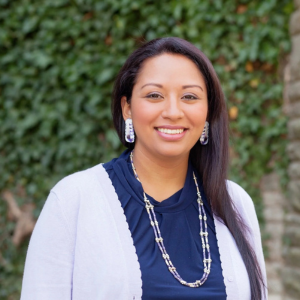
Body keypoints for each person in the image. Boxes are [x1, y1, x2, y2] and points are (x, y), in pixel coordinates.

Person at [20, 37, 267, 300]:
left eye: (190, 96)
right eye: (154, 95)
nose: (173, 111)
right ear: (127, 107)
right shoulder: (74, 199)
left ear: (207, 111)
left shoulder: (235, 202)